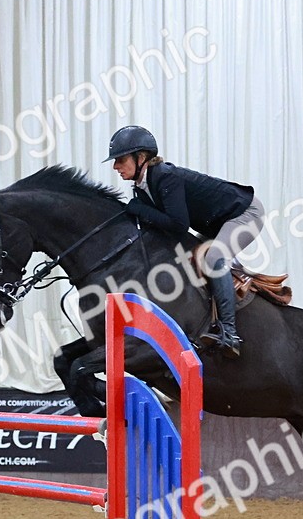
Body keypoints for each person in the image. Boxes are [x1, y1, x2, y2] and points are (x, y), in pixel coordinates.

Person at [105, 125, 264, 356]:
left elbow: (179, 226)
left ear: (141, 157)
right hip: (216, 222)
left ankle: (229, 333)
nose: (115, 167)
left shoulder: (164, 176)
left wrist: (140, 210)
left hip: (244, 213)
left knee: (213, 259)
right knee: (185, 261)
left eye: (120, 159)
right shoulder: (141, 188)